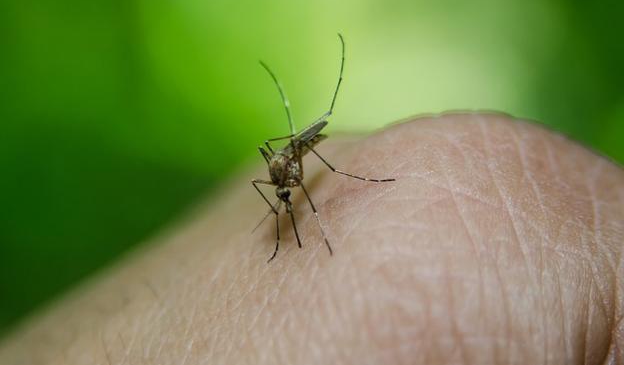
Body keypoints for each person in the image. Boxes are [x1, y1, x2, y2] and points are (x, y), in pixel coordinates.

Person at [0, 113, 622, 364]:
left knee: (321, 176)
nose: (284, 192)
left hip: (303, 148)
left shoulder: (295, 167)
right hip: (288, 160)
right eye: (285, 193)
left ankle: (344, 178)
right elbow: (273, 181)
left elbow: (289, 169)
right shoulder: (276, 185)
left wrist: (305, 192)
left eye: (287, 191)